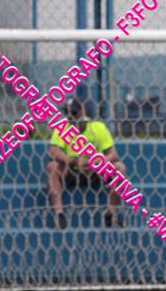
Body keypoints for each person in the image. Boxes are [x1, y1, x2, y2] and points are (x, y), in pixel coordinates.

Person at [45, 98, 127, 230]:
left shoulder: (97, 127)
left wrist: (97, 161)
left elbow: (113, 154)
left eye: (75, 112)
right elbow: (53, 151)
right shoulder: (63, 127)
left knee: (120, 168)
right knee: (52, 167)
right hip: (71, 171)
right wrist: (72, 160)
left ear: (82, 110)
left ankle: (112, 213)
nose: (73, 116)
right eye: (69, 113)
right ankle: (59, 215)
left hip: (96, 172)